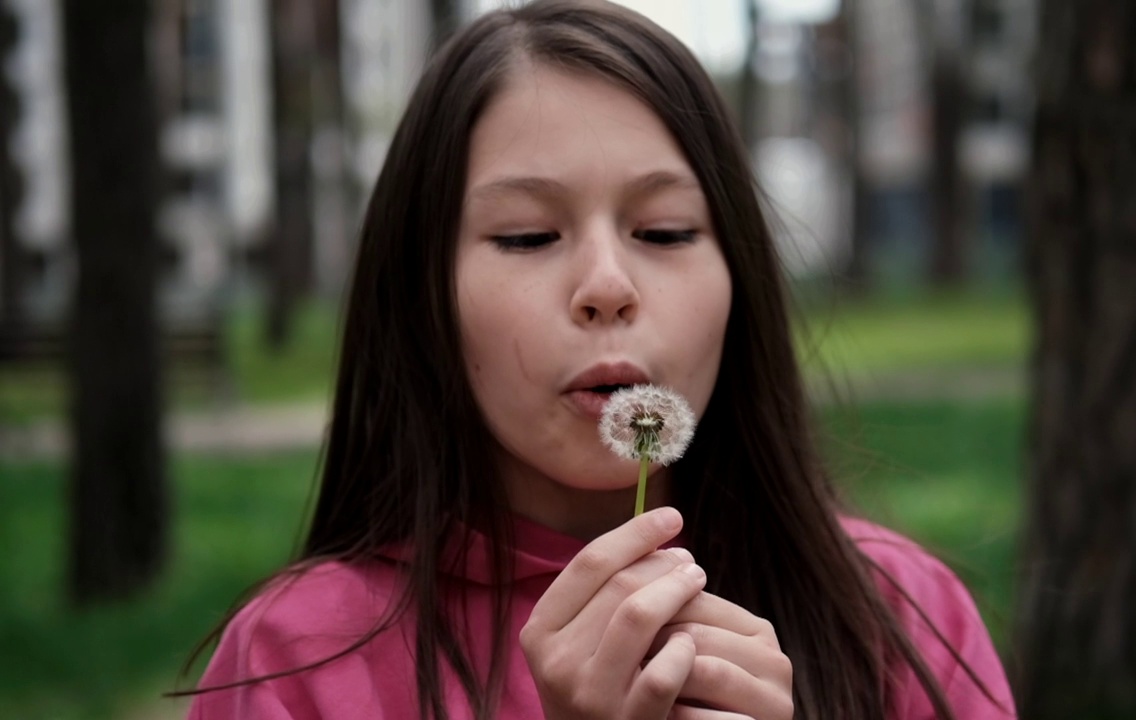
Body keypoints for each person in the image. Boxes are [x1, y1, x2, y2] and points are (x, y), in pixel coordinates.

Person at [184, 1, 1016, 718]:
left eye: (663, 231)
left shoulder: (898, 616)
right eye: (527, 236)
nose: (607, 286)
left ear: (741, 279)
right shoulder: (295, 661)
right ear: (423, 295)